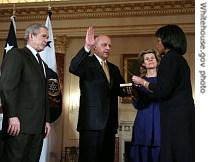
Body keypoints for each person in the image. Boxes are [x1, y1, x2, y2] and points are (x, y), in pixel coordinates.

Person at [132, 24, 195, 162]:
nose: (157, 44)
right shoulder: (179, 59)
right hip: (180, 116)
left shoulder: (170, 58)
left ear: (167, 41)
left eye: (159, 40)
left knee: (174, 153)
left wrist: (143, 83)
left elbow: (163, 91)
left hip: (174, 117)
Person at [69, 26, 128, 162]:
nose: (108, 48)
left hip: (110, 123)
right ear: (94, 47)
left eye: (109, 45)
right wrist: (86, 47)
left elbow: (121, 89)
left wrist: (136, 86)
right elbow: (73, 67)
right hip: (91, 123)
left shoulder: (114, 68)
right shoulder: (86, 63)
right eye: (104, 45)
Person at [0, 23, 51, 162]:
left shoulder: (41, 62)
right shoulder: (16, 54)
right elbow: (7, 87)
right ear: (31, 36)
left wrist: (46, 120)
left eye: (47, 37)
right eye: (43, 36)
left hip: (38, 127)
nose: (46, 40)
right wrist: (12, 115)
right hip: (18, 125)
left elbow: (43, 94)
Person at [130, 49, 160, 162]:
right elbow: (138, 105)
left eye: (152, 58)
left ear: (157, 61)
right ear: (143, 63)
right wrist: (133, 95)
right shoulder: (137, 81)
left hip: (159, 117)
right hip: (143, 118)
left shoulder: (163, 80)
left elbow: (159, 95)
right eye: (147, 59)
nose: (150, 60)